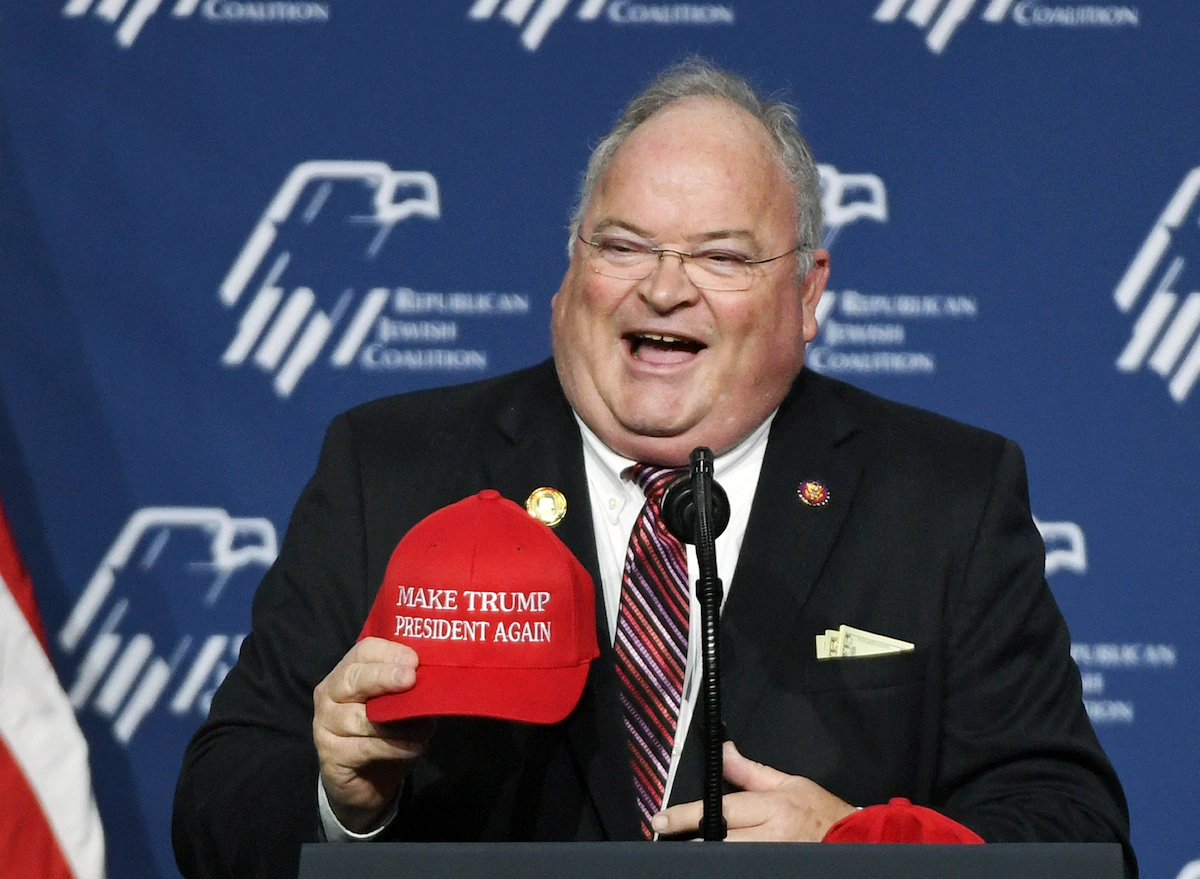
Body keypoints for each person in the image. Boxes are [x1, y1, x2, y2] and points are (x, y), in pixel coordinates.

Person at [173, 58, 1134, 878]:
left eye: (722, 257)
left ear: (808, 294)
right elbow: (216, 808)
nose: (665, 288)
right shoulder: (393, 468)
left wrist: (856, 847)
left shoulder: (944, 498)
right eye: (624, 245)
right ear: (570, 268)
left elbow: (1078, 836)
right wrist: (343, 801)